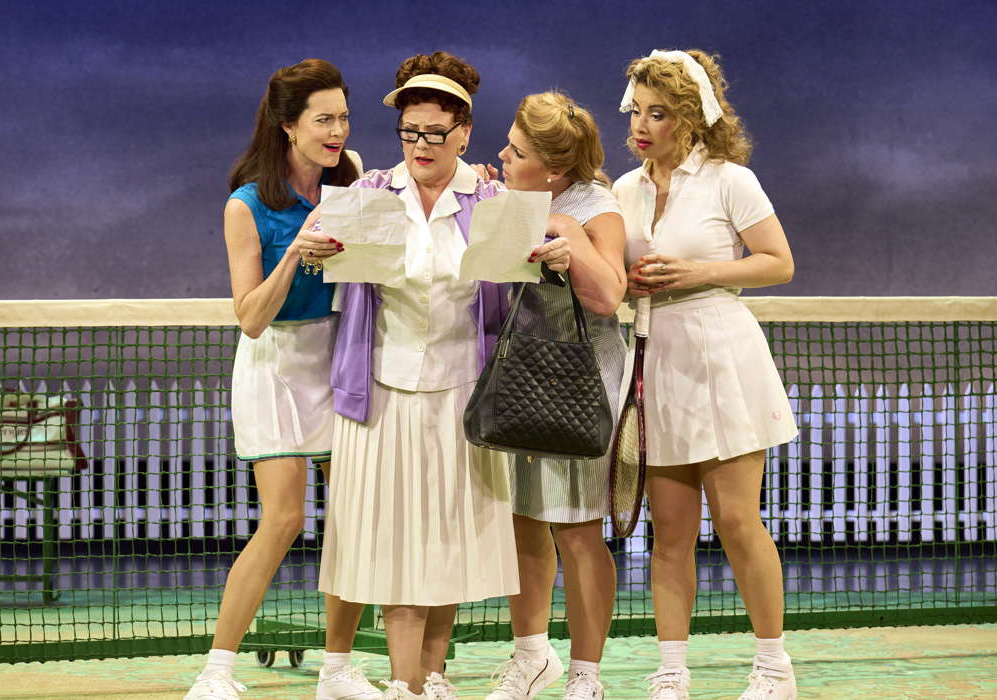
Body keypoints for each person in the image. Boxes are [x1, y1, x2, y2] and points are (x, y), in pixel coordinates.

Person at [307, 52, 569, 700]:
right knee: (397, 543)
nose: (420, 145)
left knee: (447, 537)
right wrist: (313, 249)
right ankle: (404, 683)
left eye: (434, 133)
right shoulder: (368, 198)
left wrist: (552, 257)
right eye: (409, 133)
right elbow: (336, 278)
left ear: (462, 135)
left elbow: (518, 295)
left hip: (464, 393)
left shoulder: (493, 201)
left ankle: (433, 675)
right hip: (384, 394)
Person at [185, 60, 378, 700]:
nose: (337, 130)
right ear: (287, 125)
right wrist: (296, 249)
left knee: (352, 518)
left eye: (343, 117)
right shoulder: (245, 205)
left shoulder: (349, 181)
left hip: (337, 357)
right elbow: (251, 318)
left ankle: (338, 669)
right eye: (324, 119)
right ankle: (216, 670)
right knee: (286, 517)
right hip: (274, 365)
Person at [611, 50, 798, 700]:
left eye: (657, 113)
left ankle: (774, 669)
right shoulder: (623, 192)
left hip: (723, 359)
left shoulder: (728, 181)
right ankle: (671, 675)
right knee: (671, 534)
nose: (641, 125)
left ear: (688, 119)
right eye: (637, 110)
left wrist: (700, 273)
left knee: (739, 522)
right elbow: (609, 282)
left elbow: (778, 263)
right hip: (654, 364)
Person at [482, 93, 626, 700]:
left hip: (578, 387)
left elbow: (609, 295)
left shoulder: (593, 208)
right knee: (522, 523)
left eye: (516, 151)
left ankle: (586, 676)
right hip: (518, 383)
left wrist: (566, 233)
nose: (502, 155)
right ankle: (532, 658)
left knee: (576, 531)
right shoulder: (510, 199)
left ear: (555, 170)